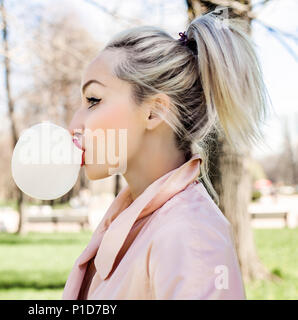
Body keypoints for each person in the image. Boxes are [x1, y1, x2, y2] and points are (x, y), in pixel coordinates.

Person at [63, 9, 270, 300]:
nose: (74, 125)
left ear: (155, 111)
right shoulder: (135, 220)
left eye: (93, 100)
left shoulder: (192, 236)